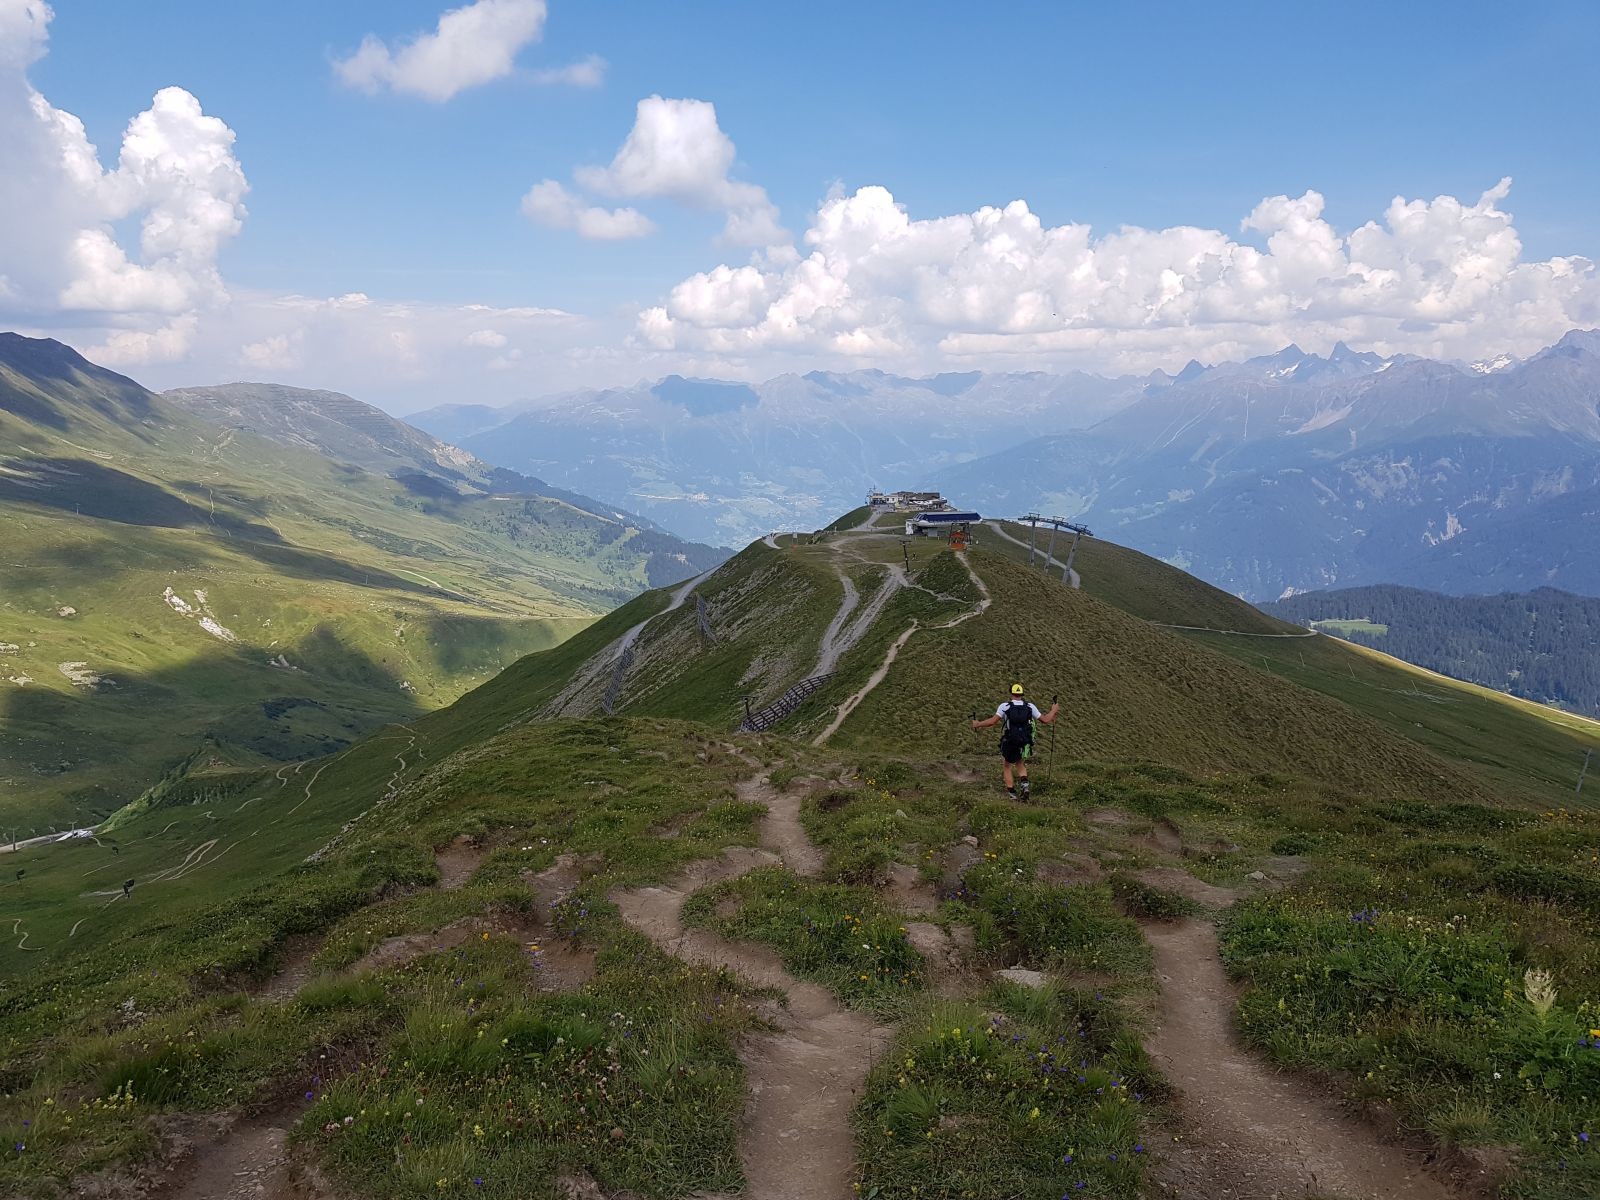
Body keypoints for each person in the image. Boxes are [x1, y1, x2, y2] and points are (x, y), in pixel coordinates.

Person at [970, 683, 1059, 799]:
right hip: (1024, 739)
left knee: (1007, 765)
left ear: (1011, 693)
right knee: (1020, 763)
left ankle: (1012, 794)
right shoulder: (1030, 706)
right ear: (1022, 694)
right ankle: (1025, 785)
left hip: (1010, 740)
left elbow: (992, 722)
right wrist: (1054, 710)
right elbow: (1046, 720)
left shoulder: (1005, 706)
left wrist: (978, 724)